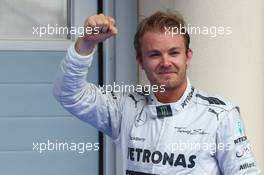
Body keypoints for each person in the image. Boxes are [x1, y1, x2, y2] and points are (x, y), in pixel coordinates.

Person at [53, 11, 261, 175]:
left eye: (174, 52)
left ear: (187, 56)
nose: (165, 63)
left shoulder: (220, 115)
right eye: (154, 55)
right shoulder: (126, 107)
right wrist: (86, 44)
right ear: (140, 61)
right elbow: (70, 94)